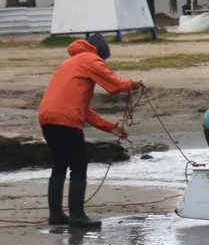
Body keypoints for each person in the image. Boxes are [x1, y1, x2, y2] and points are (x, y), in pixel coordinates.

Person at [37, 33, 141, 229]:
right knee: (79, 165)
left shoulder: (71, 62)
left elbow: (83, 109)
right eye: (104, 60)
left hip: (47, 117)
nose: (103, 63)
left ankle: (56, 215)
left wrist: (111, 128)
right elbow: (115, 85)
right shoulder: (90, 59)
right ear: (101, 53)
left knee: (60, 165)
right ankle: (77, 215)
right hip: (66, 121)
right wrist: (133, 84)